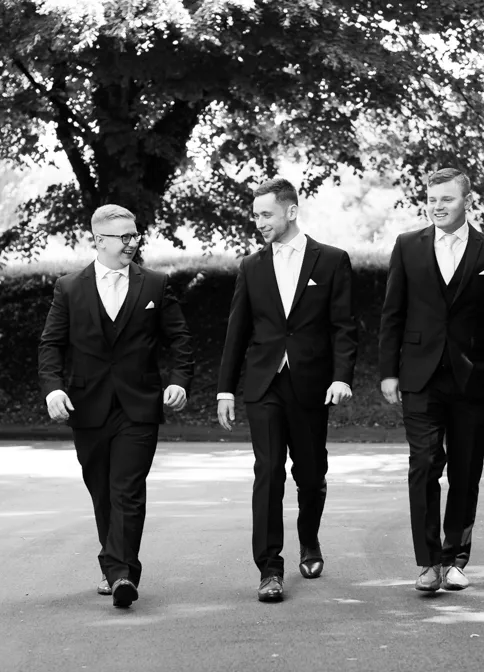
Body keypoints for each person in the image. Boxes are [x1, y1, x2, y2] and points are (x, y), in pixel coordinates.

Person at [378, 168, 484, 593]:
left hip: (471, 378)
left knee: (466, 472)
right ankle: (427, 563)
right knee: (424, 464)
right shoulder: (408, 246)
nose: (438, 205)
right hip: (419, 377)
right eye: (432, 198)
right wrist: (388, 371)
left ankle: (455, 558)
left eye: (447, 198)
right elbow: (392, 313)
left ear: (467, 200)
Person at [38, 204, 194, 609]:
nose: (132, 242)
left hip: (139, 405)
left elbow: (180, 340)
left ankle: (122, 572)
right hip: (87, 407)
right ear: (98, 241)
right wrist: (53, 389)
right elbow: (51, 343)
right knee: (101, 490)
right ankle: (116, 566)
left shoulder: (155, 286)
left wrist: (178, 381)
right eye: (123, 237)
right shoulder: (69, 287)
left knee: (127, 488)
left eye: (134, 235)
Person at [217, 177, 358, 603]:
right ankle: (270, 568)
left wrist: (342, 376)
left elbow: (344, 327)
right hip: (263, 385)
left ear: (291, 211)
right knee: (268, 472)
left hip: (312, 384)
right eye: (255, 215)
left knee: (311, 475)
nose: (259, 222)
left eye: (266, 214)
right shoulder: (251, 266)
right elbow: (236, 331)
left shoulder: (332, 261)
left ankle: (309, 539)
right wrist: (225, 389)